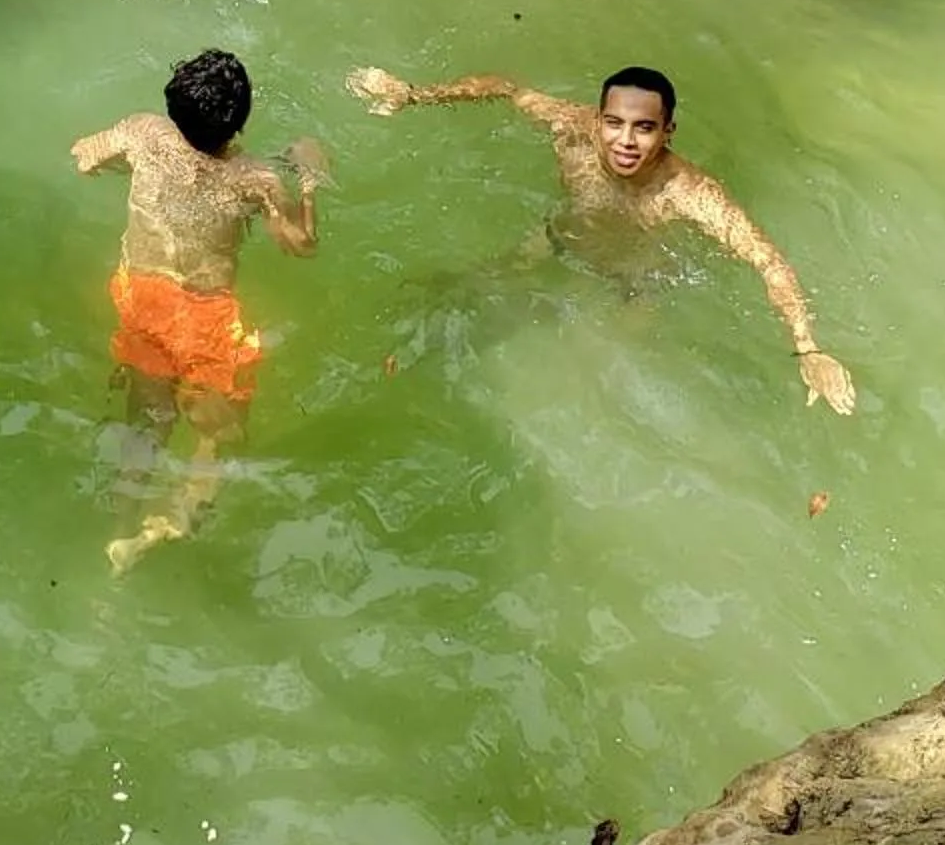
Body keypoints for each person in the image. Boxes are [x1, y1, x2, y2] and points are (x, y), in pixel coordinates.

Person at [346, 62, 856, 414]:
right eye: (614, 123)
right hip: (559, 237)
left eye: (643, 127)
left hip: (635, 279)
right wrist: (414, 95)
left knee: (593, 371)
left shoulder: (687, 192)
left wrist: (807, 347)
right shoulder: (572, 130)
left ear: (668, 131)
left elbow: (766, 259)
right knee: (467, 289)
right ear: (598, 119)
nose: (626, 141)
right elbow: (507, 88)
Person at [70, 49, 327, 570]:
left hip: (140, 295)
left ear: (173, 109)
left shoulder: (144, 133)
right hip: (204, 318)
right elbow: (301, 244)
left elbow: (84, 158)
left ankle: (120, 528)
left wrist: (139, 169)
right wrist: (309, 175)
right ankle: (168, 527)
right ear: (240, 122)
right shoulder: (255, 179)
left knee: (146, 422)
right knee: (221, 435)